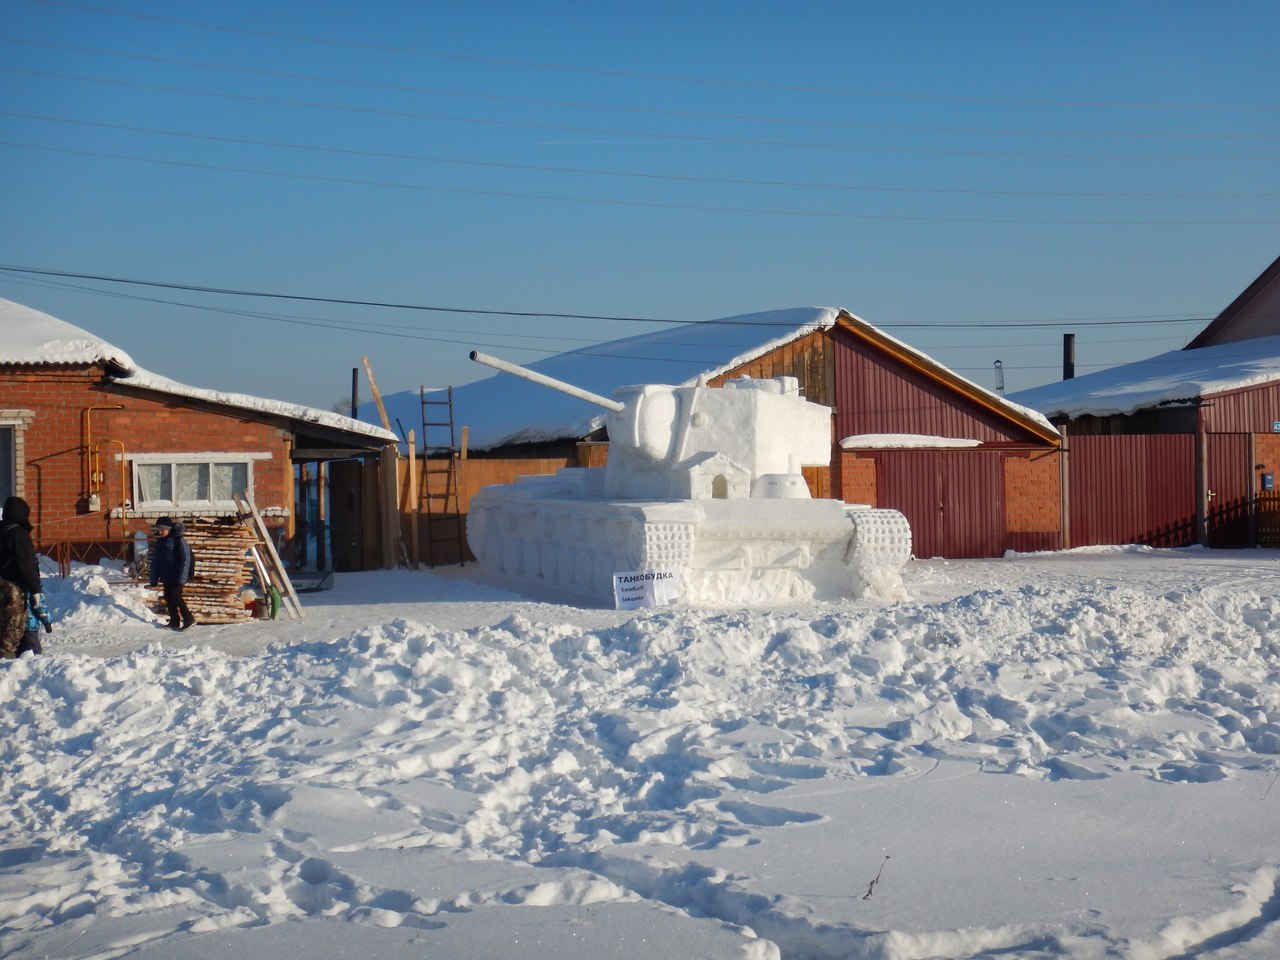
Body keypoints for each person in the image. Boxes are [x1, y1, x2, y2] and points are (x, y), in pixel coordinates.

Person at [0, 495, 52, 658]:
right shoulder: (18, 534)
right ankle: (17, 669)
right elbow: (26, 563)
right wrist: (36, 590)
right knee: (17, 634)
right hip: (15, 591)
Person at [149, 516, 195, 631]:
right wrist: (153, 578)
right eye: (158, 530)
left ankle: (189, 619)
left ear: (169, 528)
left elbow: (186, 559)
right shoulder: (160, 542)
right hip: (166, 576)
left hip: (177, 575)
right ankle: (174, 621)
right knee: (168, 598)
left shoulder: (178, 540)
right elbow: (156, 561)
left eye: (162, 529)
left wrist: (183, 578)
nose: (160, 532)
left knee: (176, 597)